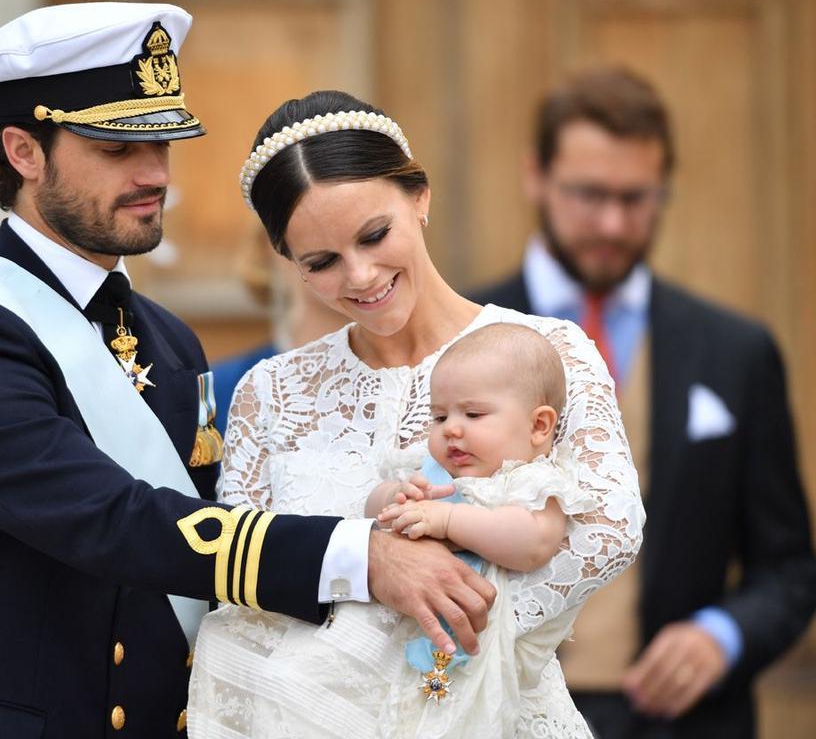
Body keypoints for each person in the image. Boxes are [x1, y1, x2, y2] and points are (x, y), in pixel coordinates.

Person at [0, 4, 496, 738]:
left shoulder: (169, 342)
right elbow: (119, 523)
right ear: (23, 151)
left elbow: (219, 536)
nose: (155, 175)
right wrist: (362, 557)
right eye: (116, 149)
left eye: (162, 143)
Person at [187, 89, 645, 739]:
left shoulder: (550, 349)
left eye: (375, 235)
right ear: (287, 262)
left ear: (420, 196)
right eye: (321, 262)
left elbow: (609, 531)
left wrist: (443, 620)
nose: (362, 275)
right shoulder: (270, 390)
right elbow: (244, 580)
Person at [472, 65, 816, 738]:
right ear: (534, 178)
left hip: (685, 721)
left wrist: (723, 635)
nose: (612, 222)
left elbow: (790, 567)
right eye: (588, 194)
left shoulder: (736, 351)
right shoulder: (465, 334)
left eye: (638, 198)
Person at [365, 323, 596, 736]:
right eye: (439, 416)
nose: (451, 428)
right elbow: (369, 511)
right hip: (396, 653)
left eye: (472, 414)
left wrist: (448, 520)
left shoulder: (532, 482)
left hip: (490, 666)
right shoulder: (430, 474)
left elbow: (532, 542)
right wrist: (394, 497)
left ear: (539, 426)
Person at [211, 229, 347, 437]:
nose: (360, 270)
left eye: (373, 236)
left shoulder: (409, 382)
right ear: (273, 243)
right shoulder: (217, 395)